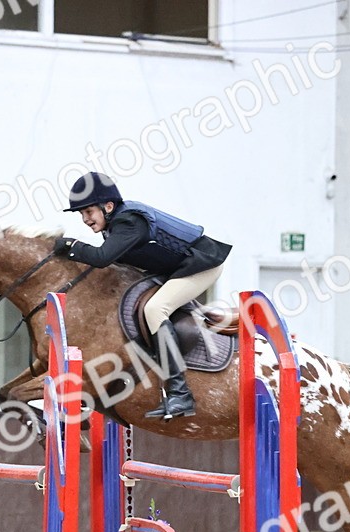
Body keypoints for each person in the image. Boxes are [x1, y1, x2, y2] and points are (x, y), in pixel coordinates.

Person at [54, 172, 231, 420]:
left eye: (88, 212)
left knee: (155, 309)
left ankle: (180, 394)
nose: (85, 220)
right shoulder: (115, 226)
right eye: (81, 214)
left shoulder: (129, 222)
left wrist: (72, 247)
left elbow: (102, 258)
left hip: (202, 265)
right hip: (174, 268)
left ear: (108, 206)